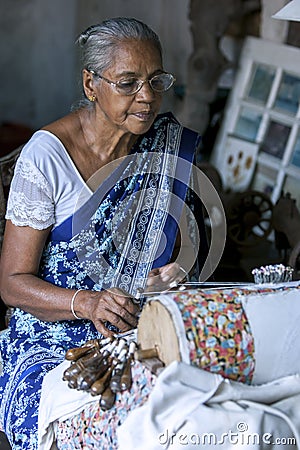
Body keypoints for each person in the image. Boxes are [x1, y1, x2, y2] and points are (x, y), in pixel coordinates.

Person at [0, 17, 208, 449]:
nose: (147, 97)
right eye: (128, 82)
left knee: (196, 407)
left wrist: (171, 276)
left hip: (138, 327)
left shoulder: (163, 147)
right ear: (91, 83)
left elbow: (175, 252)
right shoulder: (47, 157)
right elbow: (12, 285)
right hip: (53, 337)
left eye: (155, 80)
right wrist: (88, 302)